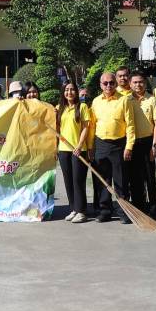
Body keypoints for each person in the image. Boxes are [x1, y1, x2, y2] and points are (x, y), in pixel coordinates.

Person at [89, 72, 136, 223]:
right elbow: (92, 126)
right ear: (100, 85)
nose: (108, 86)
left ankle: (124, 212)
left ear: (115, 83)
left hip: (119, 145)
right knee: (103, 181)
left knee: (121, 181)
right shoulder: (96, 102)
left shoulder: (124, 100)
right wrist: (91, 147)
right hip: (101, 144)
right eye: (105, 83)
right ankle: (105, 211)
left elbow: (130, 125)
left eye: (111, 83)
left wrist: (129, 147)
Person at [55, 82, 91, 223]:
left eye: (72, 90)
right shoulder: (59, 108)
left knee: (78, 180)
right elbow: (57, 128)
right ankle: (74, 209)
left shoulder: (82, 107)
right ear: (63, 92)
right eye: (66, 90)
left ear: (76, 92)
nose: (69, 92)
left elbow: (85, 128)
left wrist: (80, 144)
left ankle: (81, 211)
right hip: (63, 150)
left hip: (78, 150)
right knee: (68, 180)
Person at [128, 72, 156, 212]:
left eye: (140, 82)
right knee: (135, 176)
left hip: (148, 142)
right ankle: (138, 205)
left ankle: (153, 205)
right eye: (135, 82)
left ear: (145, 83)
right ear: (130, 84)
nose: (138, 85)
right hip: (132, 142)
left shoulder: (152, 100)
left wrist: (155, 145)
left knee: (149, 175)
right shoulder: (126, 100)